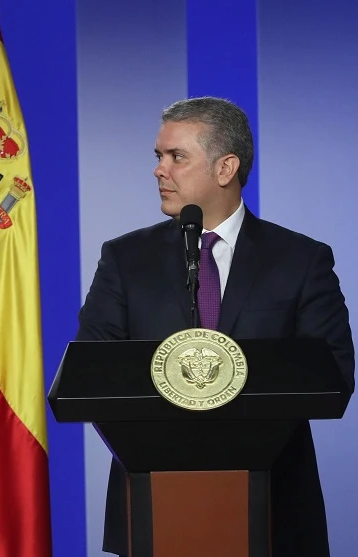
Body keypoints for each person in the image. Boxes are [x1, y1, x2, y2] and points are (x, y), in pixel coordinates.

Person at [76, 96, 354, 557]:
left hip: (275, 512)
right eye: (158, 157)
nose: (159, 170)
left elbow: (334, 375)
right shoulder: (125, 260)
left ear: (226, 168)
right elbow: (93, 373)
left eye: (176, 157)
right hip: (154, 508)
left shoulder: (301, 260)